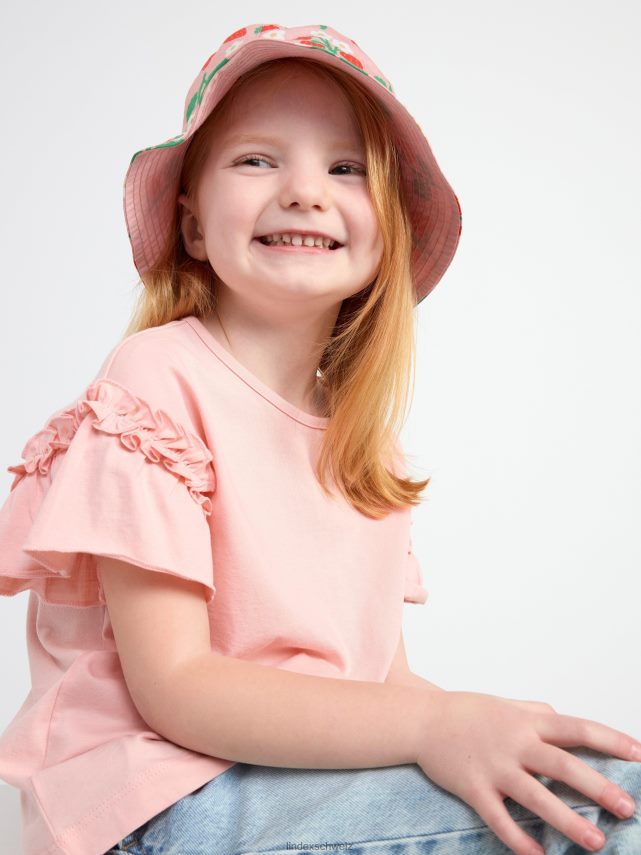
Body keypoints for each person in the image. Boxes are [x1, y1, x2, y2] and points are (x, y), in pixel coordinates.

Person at [0, 21, 638, 855]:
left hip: (295, 789)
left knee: (576, 783)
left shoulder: (362, 443)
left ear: (386, 231)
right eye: (256, 160)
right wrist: (436, 723)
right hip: (162, 804)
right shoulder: (157, 377)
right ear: (193, 227)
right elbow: (177, 687)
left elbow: (380, 685)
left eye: (346, 168)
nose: (304, 191)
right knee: (612, 812)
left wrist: (475, 728)